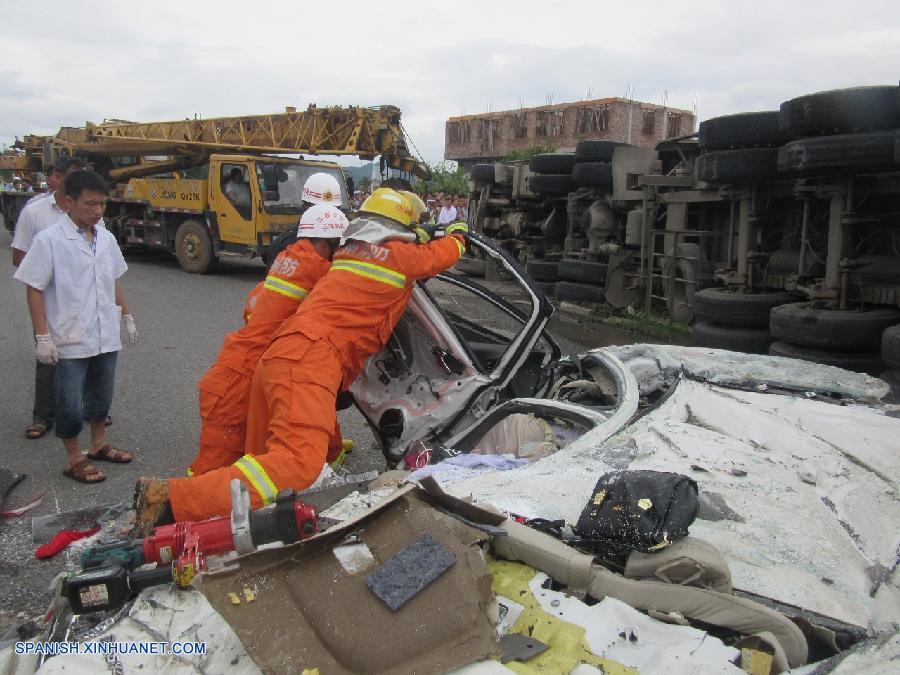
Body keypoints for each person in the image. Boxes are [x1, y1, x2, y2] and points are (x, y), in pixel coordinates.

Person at [137, 188, 468, 525]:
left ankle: (225, 527)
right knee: (298, 463)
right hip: (311, 359)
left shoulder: (348, 253)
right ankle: (173, 501)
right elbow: (443, 253)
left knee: (262, 465)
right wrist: (459, 234)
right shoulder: (401, 257)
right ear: (404, 229)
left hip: (278, 355)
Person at [186, 204, 350, 480]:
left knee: (311, 398)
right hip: (239, 379)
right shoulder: (316, 267)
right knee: (213, 470)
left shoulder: (288, 257)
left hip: (246, 364)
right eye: (338, 247)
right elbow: (353, 280)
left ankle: (329, 454)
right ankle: (179, 502)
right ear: (328, 243)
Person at [14, 170, 139, 484]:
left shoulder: (106, 239)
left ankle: (98, 444)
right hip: (69, 334)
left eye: (102, 204)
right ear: (69, 203)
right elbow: (34, 287)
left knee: (101, 393)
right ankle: (74, 458)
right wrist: (42, 336)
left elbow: (113, 280)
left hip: (104, 331)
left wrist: (127, 316)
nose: (98, 210)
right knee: (69, 400)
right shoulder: (50, 240)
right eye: (90, 204)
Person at [11, 158, 88, 439]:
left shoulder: (89, 212)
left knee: (85, 354)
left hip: (82, 298)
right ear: (58, 177)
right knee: (48, 357)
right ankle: (43, 416)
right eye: (75, 176)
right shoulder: (35, 212)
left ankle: (83, 410)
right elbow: (18, 256)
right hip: (48, 298)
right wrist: (51, 270)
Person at [264, 172, 343, 268]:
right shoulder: (285, 245)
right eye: (318, 210)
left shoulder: (344, 242)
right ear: (305, 207)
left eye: (331, 211)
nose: (326, 216)